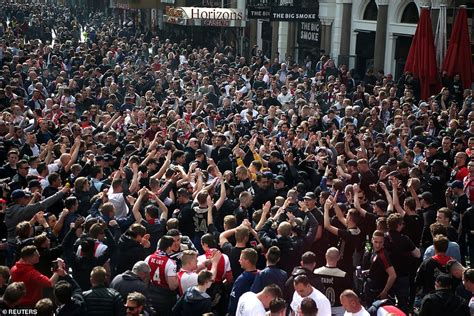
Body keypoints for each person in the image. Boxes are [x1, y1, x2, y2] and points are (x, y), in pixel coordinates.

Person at [144, 235, 178, 316]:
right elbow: (172, 286)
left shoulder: (148, 258)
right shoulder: (170, 263)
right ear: (169, 247)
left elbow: (145, 278)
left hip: (150, 295)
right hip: (165, 298)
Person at [314, 247, 351, 316]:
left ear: (325, 256)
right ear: (338, 258)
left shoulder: (316, 273)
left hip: (321, 308)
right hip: (339, 309)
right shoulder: (343, 275)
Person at [228, 248, 260, 315]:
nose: (239, 261)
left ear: (247, 261)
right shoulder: (261, 275)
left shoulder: (242, 280)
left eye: (241, 259)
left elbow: (234, 300)